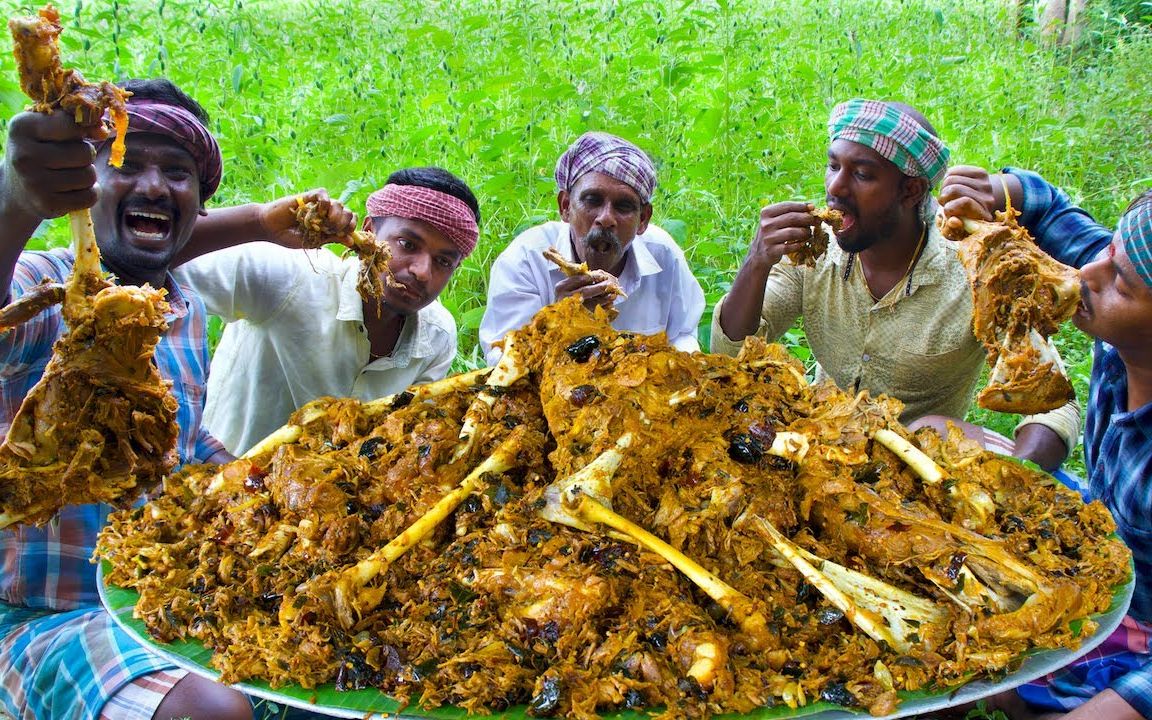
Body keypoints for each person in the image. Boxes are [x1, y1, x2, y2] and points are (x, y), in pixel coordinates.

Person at [0, 80, 252, 719]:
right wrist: (13, 202)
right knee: (211, 712)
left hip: (154, 601)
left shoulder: (185, 308)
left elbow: (184, 448)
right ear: (85, 182)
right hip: (39, 617)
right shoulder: (49, 284)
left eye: (178, 172)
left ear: (199, 202)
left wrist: (260, 481)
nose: (152, 186)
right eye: (123, 162)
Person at [709, 99, 1078, 472]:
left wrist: (1017, 467)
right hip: (818, 453)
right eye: (833, 165)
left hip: (920, 473)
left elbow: (1053, 399)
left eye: (862, 175)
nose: (835, 186)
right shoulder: (814, 247)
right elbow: (732, 353)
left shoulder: (974, 269)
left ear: (911, 191)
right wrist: (757, 261)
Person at [939, 167, 1152, 720]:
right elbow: (1050, 208)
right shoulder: (1115, 293)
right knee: (934, 436)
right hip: (1095, 529)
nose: (1086, 273)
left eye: (1121, 285)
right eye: (1107, 251)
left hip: (1144, 618)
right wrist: (997, 192)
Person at [173, 167, 480, 455]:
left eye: (443, 262)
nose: (423, 272)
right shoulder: (290, 276)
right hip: (219, 485)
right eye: (408, 244)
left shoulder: (437, 336)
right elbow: (151, 262)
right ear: (369, 231)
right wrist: (260, 222)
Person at [479, 131, 705, 364]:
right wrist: (561, 321)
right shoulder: (525, 260)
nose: (606, 218)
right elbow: (503, 363)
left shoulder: (663, 255)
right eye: (592, 200)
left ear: (643, 219)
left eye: (623, 206)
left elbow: (683, 335)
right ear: (566, 206)